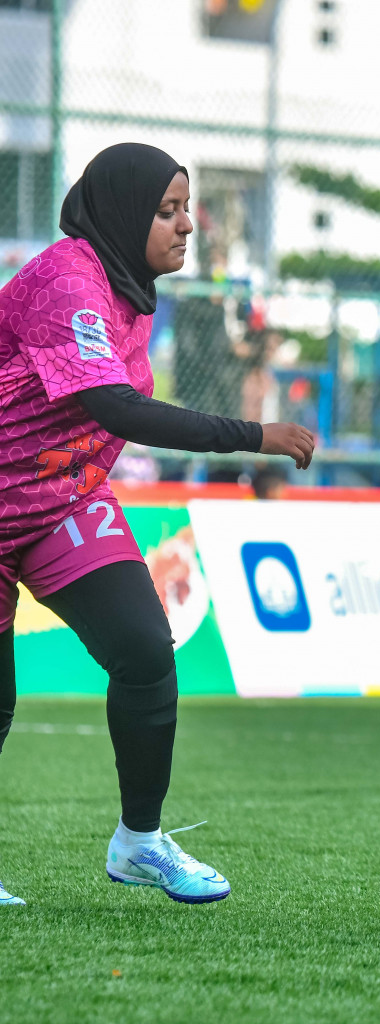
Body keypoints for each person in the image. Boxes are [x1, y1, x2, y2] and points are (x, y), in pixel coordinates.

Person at [0, 143, 316, 907]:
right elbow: (116, 407)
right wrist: (253, 436)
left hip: (63, 498)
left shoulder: (132, 287)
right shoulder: (69, 278)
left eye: (186, 210)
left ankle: (138, 843)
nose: (185, 228)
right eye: (167, 211)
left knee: (145, 650)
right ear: (119, 211)